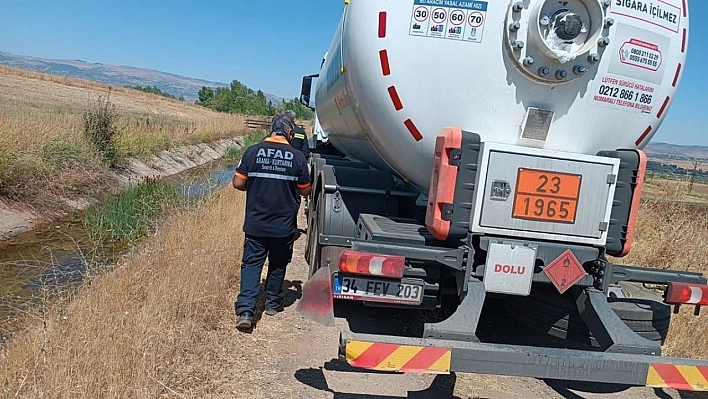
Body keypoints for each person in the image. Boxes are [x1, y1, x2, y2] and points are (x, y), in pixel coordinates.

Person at [232, 116, 312, 331]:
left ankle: (246, 311)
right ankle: (272, 304)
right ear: (289, 134)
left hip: (256, 224)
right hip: (283, 226)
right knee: (278, 263)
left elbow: (238, 182)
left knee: (251, 265)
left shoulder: (252, 151)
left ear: (270, 131)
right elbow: (305, 189)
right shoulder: (297, 158)